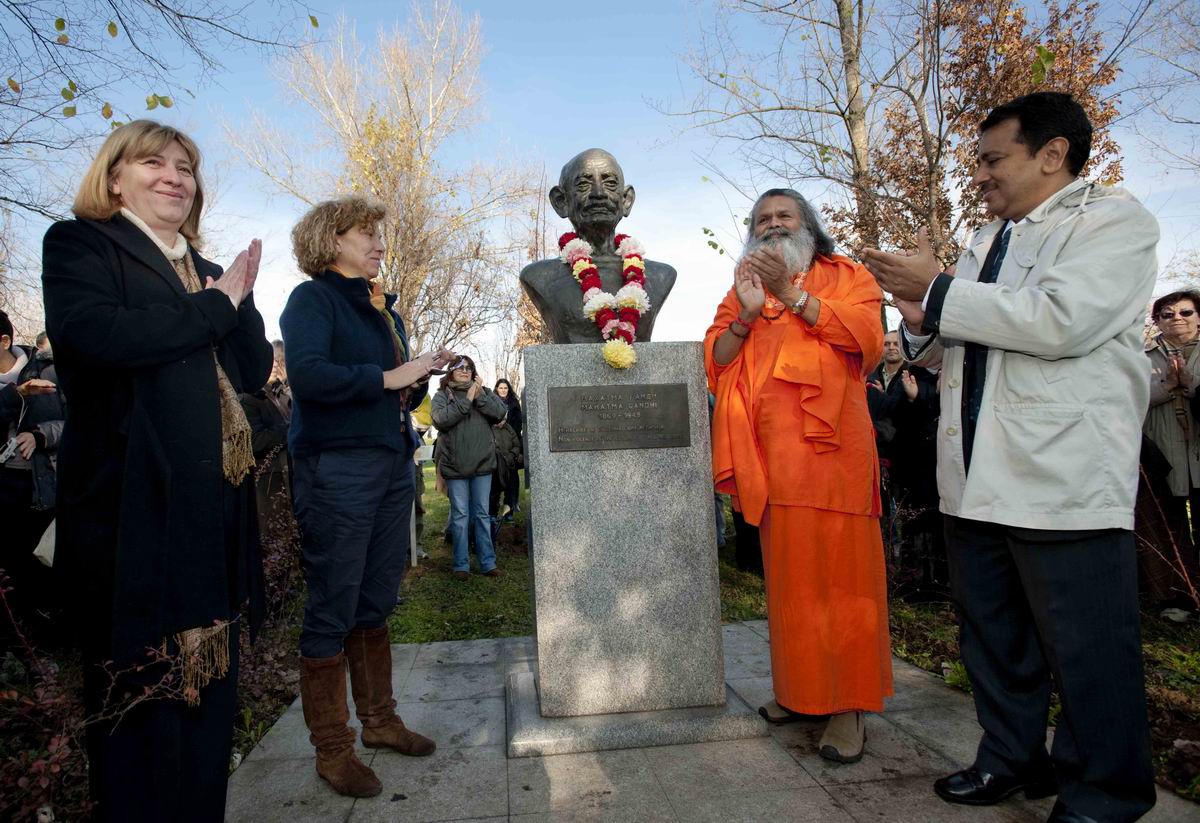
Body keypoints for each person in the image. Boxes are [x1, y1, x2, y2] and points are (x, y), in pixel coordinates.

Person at [863, 92, 1158, 822]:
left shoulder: (1113, 223)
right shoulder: (989, 237)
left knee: (1087, 649)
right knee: (993, 640)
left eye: (995, 159)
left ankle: (1106, 790)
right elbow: (953, 341)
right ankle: (1011, 757)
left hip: (1061, 477)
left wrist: (937, 290)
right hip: (973, 477)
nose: (983, 177)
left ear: (1051, 154)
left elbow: (1059, 321)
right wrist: (919, 316)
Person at [41, 119, 273, 822]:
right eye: (154, 162)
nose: (176, 175)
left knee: (209, 702)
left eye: (187, 166)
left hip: (214, 513)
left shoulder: (209, 271)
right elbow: (101, 337)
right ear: (115, 177)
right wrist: (216, 305)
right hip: (133, 519)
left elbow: (253, 368)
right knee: (139, 715)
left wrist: (235, 300)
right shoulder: (81, 244)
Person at [705, 187, 892, 764]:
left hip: (833, 458)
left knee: (843, 585)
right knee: (790, 586)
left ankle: (848, 707)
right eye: (761, 219)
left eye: (784, 216)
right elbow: (715, 361)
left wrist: (794, 296)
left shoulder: (849, 276)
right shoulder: (742, 284)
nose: (772, 225)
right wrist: (746, 313)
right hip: (772, 460)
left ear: (808, 225)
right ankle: (802, 693)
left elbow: (869, 343)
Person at [281, 196, 452, 798]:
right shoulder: (313, 299)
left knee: (376, 597)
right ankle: (334, 751)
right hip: (337, 468)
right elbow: (307, 376)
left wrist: (418, 373)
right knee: (333, 601)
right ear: (331, 241)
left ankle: (379, 723)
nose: (378, 243)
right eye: (365, 234)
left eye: (378, 233)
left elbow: (389, 387)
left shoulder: (383, 309)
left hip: (388, 462)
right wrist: (387, 378)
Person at [519, 148, 677, 343]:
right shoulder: (539, 277)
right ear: (561, 201)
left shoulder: (661, 275)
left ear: (626, 200)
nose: (599, 193)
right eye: (584, 184)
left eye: (610, 183)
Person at [0, 310, 64, 644]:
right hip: (4, 487)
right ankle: (17, 648)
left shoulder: (47, 370)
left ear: (5, 341)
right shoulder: (14, 388)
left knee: (41, 566)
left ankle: (49, 645)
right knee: (9, 571)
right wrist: (17, 394)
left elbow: (75, 425)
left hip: (41, 486)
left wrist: (39, 436)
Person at [1141, 290, 1200, 609]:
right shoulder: (1144, 356)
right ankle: (1180, 598)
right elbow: (1130, 398)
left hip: (1198, 449)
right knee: (1170, 525)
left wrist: (1190, 384)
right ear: (1158, 321)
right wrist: (1166, 387)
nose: (1177, 318)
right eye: (1168, 313)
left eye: (1186, 312)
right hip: (1163, 452)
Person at [432, 355, 508, 580]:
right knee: (460, 515)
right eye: (459, 367)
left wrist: (480, 395)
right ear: (451, 372)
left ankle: (487, 562)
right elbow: (440, 420)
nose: (464, 370)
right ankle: (461, 565)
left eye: (468, 367)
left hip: (482, 465)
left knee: (483, 514)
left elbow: (499, 413)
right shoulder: (441, 396)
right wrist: (467, 400)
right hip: (455, 466)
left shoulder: (483, 392)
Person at [239, 339, 292, 540]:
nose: (276, 366)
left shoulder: (282, 395)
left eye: (280, 361)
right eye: (271, 361)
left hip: (290, 479)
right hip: (268, 484)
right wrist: (291, 430)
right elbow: (254, 441)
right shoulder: (248, 400)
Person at [493, 377, 523, 520]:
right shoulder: (491, 403)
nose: (503, 390)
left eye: (505, 388)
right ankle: (494, 510)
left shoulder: (514, 404)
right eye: (500, 388)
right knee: (496, 482)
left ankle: (511, 506)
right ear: (497, 390)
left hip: (511, 444)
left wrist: (516, 451)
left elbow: (518, 428)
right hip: (497, 446)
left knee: (512, 480)